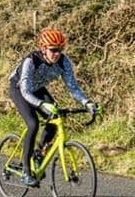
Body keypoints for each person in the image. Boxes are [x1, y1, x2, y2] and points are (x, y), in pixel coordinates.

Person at [9, 28, 98, 187]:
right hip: (20, 89)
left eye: (60, 49)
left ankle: (39, 153)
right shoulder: (31, 61)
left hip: (38, 89)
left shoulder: (64, 62)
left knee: (54, 119)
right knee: (33, 124)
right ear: (43, 49)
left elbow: (73, 88)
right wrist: (42, 104)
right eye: (53, 50)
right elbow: (25, 91)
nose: (57, 53)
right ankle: (26, 172)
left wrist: (87, 102)